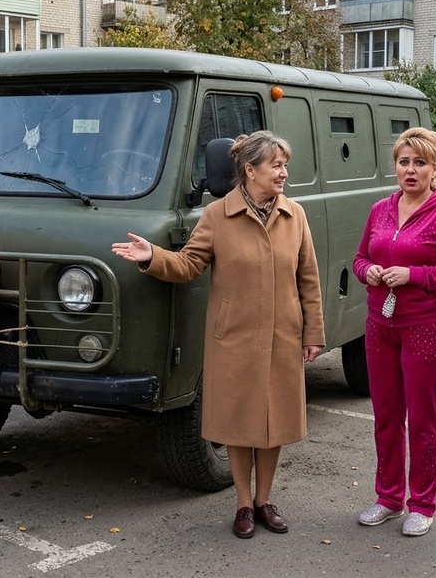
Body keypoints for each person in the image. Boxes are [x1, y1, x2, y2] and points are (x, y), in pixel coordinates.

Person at [111, 130, 325, 539]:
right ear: (250, 170)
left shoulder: (294, 215)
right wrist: (153, 256)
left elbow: (308, 280)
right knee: (239, 423)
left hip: (282, 335)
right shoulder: (217, 216)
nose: (283, 173)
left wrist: (312, 332)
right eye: (276, 165)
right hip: (235, 337)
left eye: (285, 165)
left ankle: (265, 501)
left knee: (275, 422)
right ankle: (243, 504)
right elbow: (189, 265)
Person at [351, 127, 436, 536]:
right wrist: (369, 271)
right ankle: (388, 497)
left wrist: (413, 274)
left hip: (425, 327)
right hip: (379, 326)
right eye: (404, 162)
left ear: (434, 168)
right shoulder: (380, 209)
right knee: (386, 416)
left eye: (419, 162)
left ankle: (422, 503)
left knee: (423, 419)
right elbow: (359, 258)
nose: (410, 170)